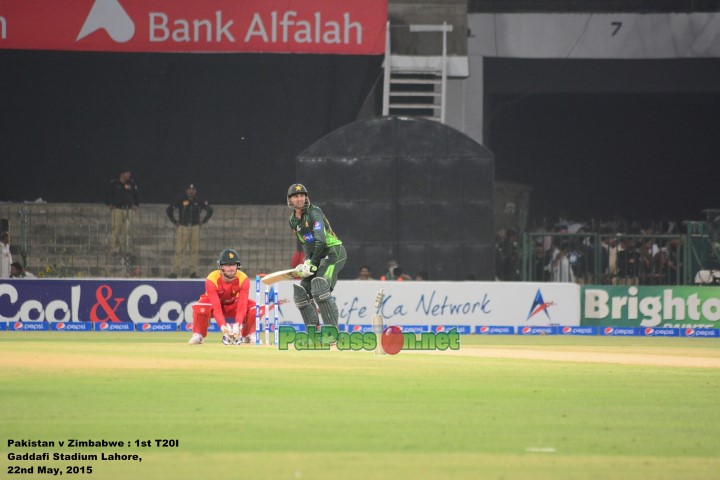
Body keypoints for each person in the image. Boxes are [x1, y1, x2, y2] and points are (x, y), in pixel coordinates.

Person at [287, 183, 346, 330]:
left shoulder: (314, 212)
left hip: (334, 252)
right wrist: (307, 262)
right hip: (318, 256)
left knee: (319, 288)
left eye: (302, 195)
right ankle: (314, 332)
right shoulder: (293, 220)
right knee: (302, 294)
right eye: (296, 196)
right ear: (290, 200)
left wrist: (312, 262)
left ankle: (333, 333)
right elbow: (307, 243)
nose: (300, 199)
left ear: (306, 197)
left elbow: (321, 240)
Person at [188, 248, 257, 345]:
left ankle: (248, 335)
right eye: (227, 265)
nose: (231, 268)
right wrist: (224, 328)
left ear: (237, 266)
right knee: (201, 305)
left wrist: (238, 325)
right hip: (213, 307)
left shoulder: (243, 279)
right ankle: (198, 335)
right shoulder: (212, 279)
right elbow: (216, 308)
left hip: (233, 306)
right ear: (221, 266)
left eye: (233, 265)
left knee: (253, 306)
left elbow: (242, 306)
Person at [166, 184, 213, 278]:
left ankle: (193, 272)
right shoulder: (181, 200)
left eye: (193, 190)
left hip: (195, 227)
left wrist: (203, 221)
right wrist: (174, 221)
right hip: (183, 227)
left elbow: (210, 210)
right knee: (179, 249)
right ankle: (175, 272)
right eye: (189, 189)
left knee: (194, 250)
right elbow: (169, 209)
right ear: (186, 191)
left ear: (195, 191)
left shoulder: (199, 201)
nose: (191, 191)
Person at [105, 168, 139, 256]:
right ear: (122, 174)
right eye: (127, 173)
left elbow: (136, 195)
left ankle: (129, 249)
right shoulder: (114, 184)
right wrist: (108, 204)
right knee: (117, 229)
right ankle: (115, 248)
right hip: (117, 209)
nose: (129, 175)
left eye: (129, 173)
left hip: (129, 210)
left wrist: (136, 205)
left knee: (129, 230)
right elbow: (107, 194)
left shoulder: (131, 184)